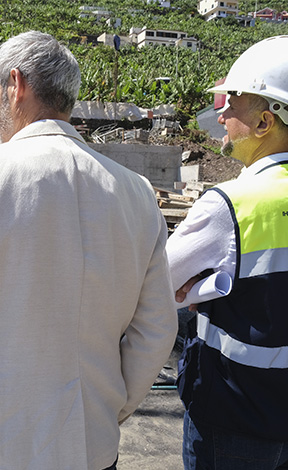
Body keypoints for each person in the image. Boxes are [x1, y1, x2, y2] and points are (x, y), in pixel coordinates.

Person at [0, 31, 177, 470]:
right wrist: (111, 406)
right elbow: (157, 329)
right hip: (92, 444)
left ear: (16, 85)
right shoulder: (137, 193)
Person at [167, 35, 288, 470]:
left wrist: (201, 289)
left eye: (232, 102)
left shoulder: (231, 204)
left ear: (265, 122)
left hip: (235, 419)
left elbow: (158, 283)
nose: (221, 114)